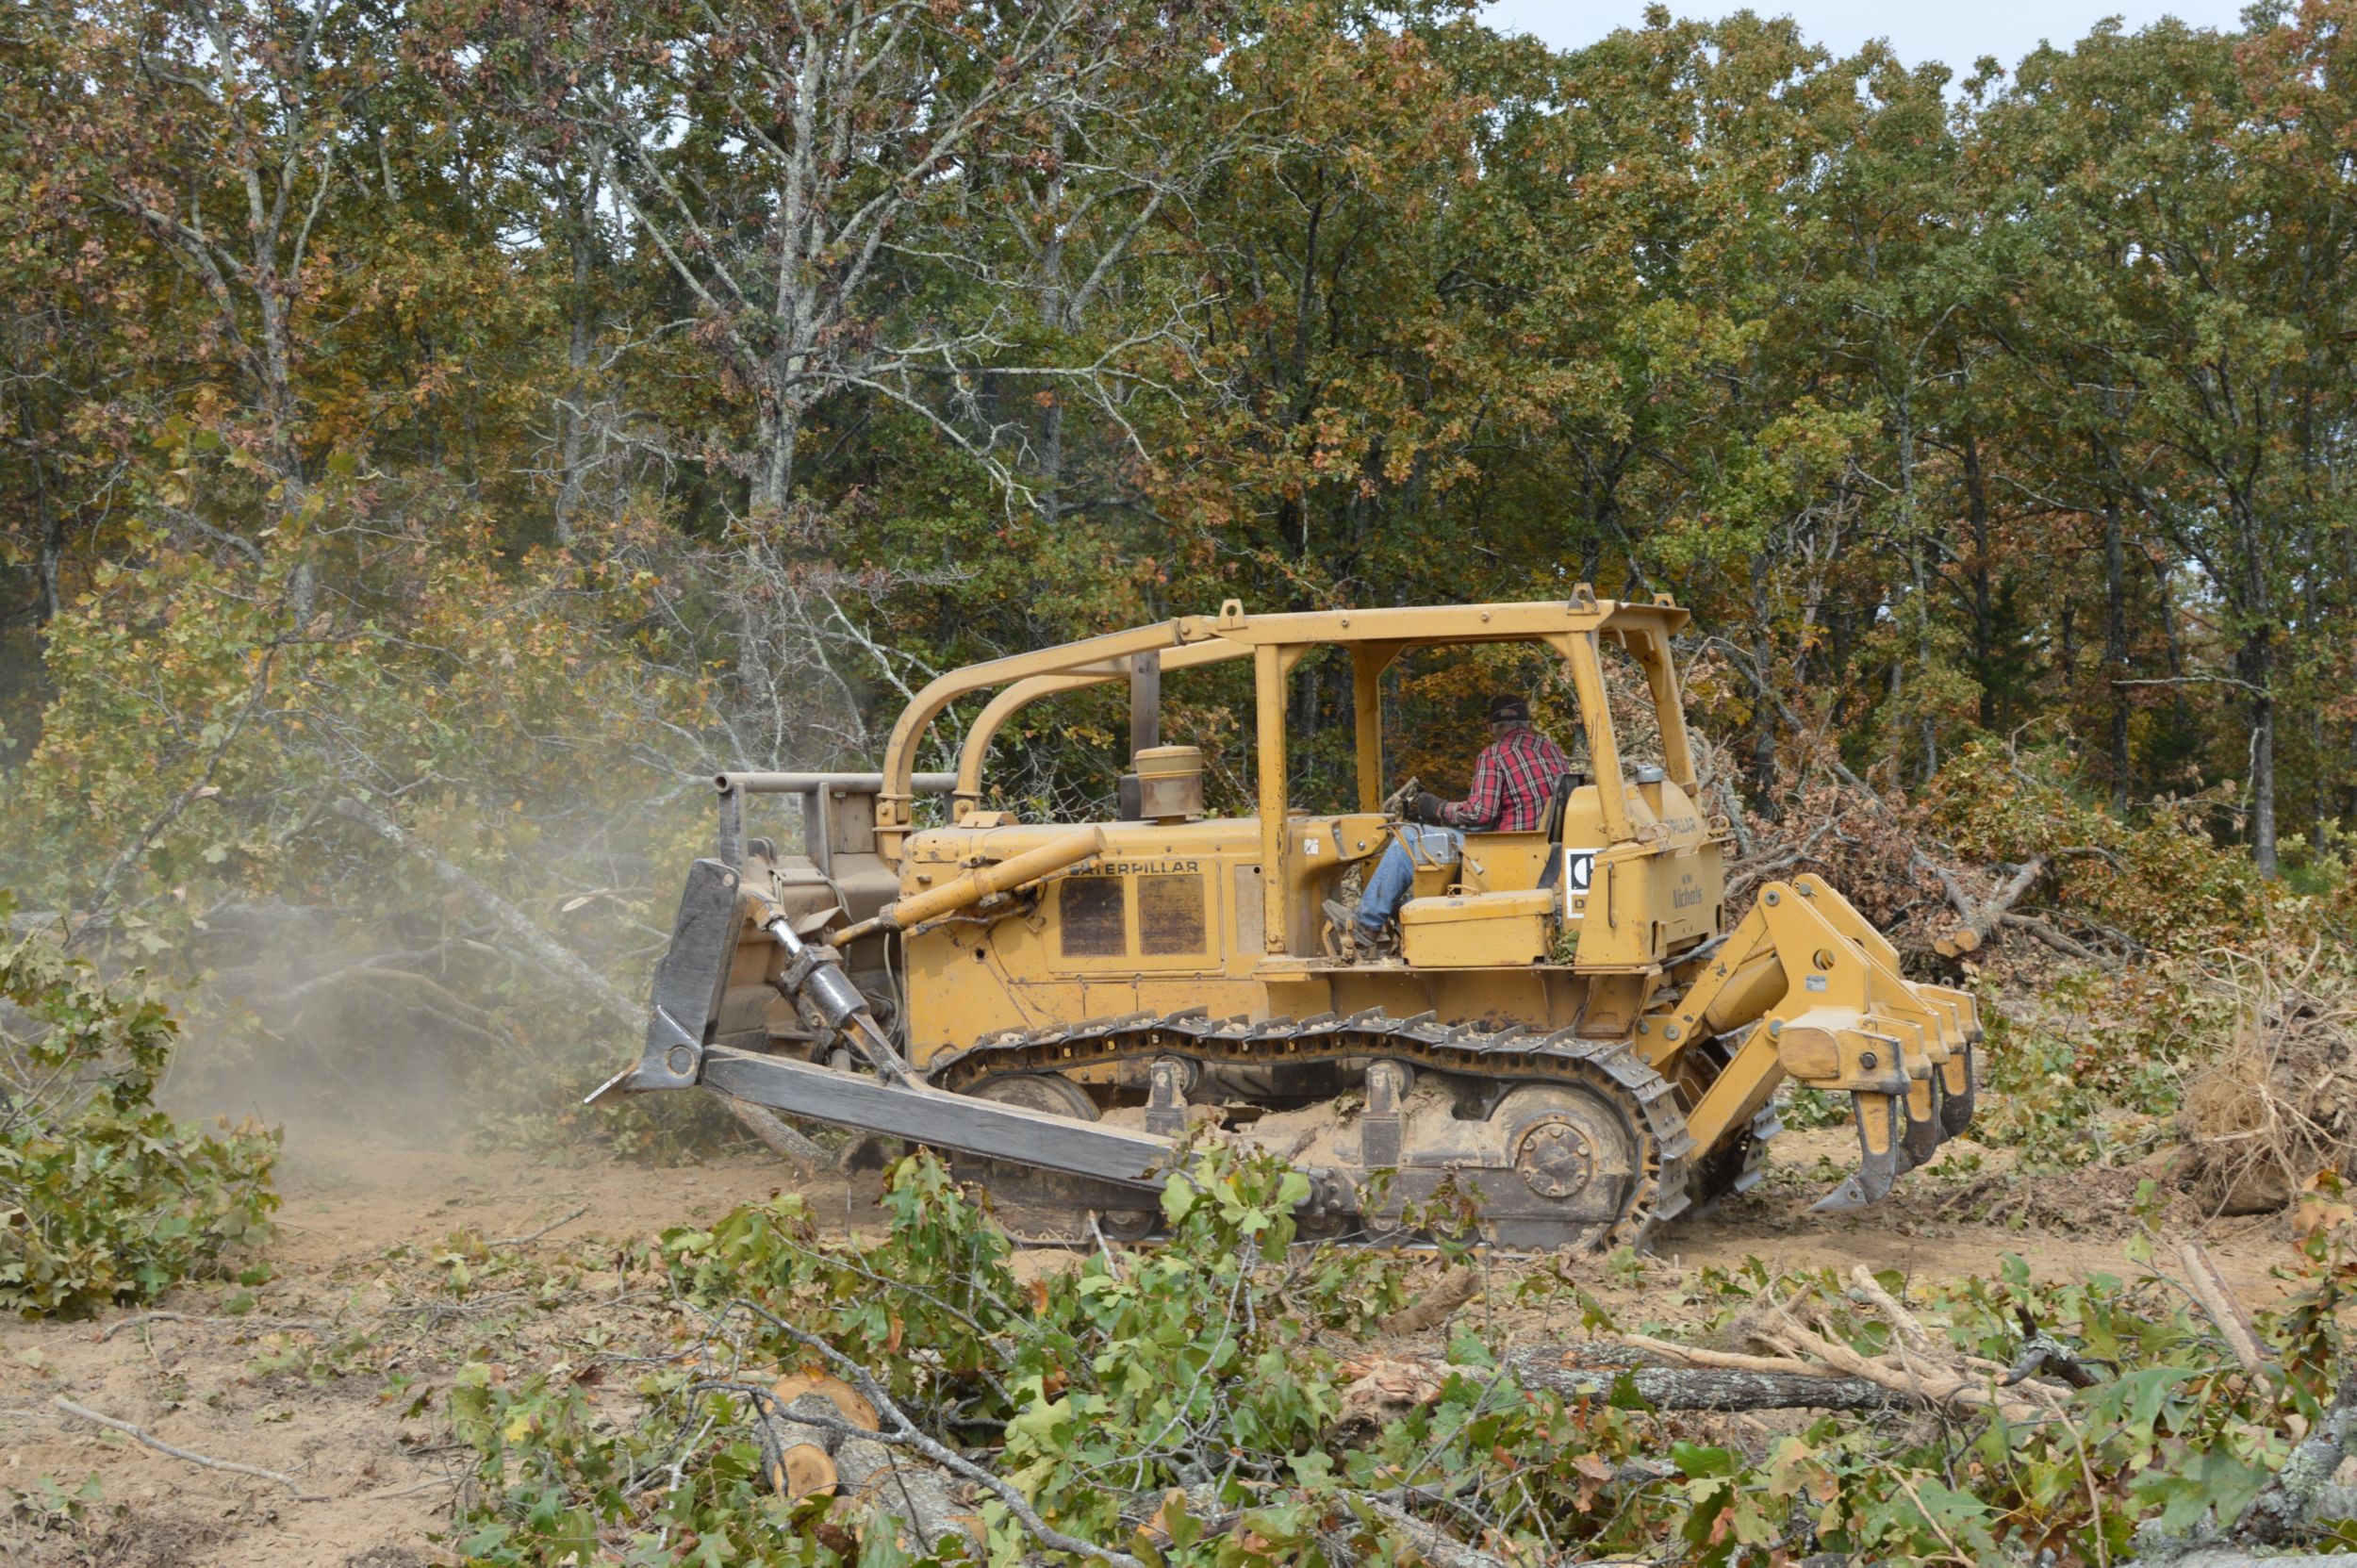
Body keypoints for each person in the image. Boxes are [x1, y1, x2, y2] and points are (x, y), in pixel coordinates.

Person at [1330, 693, 1574, 957]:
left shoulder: (1494, 754)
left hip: (1505, 853)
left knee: (1409, 838)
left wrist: (1435, 806)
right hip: (1539, 849)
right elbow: (1502, 811)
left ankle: (1365, 926)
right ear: (1527, 723)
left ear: (1491, 727)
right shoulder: (1551, 750)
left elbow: (1480, 813)